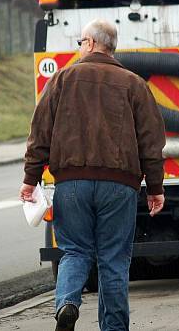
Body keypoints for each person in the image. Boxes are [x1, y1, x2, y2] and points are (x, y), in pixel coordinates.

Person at [19, 19, 166, 330]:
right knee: (113, 259)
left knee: (74, 250)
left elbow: (39, 133)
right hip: (119, 185)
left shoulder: (61, 79)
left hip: (71, 183)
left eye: (80, 42)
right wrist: (155, 186)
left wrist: (30, 179)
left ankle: (68, 303)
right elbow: (151, 140)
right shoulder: (134, 84)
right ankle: (113, 327)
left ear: (89, 43)